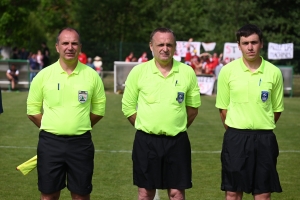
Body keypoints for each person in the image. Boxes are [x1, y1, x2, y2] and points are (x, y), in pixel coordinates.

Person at [27, 27, 106, 200]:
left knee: (81, 195)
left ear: (79, 47)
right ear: (57, 47)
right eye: (65, 43)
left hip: (81, 144)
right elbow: (32, 111)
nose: (70, 47)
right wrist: (52, 126)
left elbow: (99, 111)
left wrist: (79, 125)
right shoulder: (43, 75)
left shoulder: (92, 76)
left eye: (74, 43)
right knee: (49, 195)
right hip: (50, 144)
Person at [122, 27, 201, 200]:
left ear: (174, 47)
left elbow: (193, 109)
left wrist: (175, 126)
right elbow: (128, 107)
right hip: (146, 142)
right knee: (145, 193)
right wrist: (146, 125)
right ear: (151, 46)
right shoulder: (138, 72)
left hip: (177, 142)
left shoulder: (187, 72)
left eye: (169, 44)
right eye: (160, 44)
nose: (165, 48)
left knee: (177, 193)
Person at [215, 24, 284, 200]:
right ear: (239, 45)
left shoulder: (274, 72)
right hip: (236, 138)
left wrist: (261, 124)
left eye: (254, 42)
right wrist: (237, 130)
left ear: (261, 43)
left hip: (264, 139)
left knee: (263, 193)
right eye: (245, 43)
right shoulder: (227, 71)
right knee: (232, 192)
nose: (250, 47)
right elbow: (223, 108)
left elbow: (276, 110)